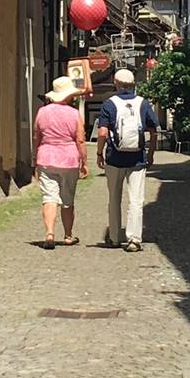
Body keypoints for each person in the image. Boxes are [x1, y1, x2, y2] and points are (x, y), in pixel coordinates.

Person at [97, 68, 158, 252]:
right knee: (136, 200)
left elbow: (102, 132)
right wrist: (150, 153)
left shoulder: (109, 103)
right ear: (132, 84)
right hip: (137, 159)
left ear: (116, 83)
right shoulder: (143, 103)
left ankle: (114, 237)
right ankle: (134, 239)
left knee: (114, 198)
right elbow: (154, 131)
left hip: (114, 158)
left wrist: (99, 153)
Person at [33, 76, 88, 249]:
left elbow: (37, 136)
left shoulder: (42, 112)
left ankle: (49, 233)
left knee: (49, 197)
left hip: (46, 157)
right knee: (67, 199)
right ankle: (68, 235)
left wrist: (36, 158)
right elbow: (80, 139)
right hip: (69, 158)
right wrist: (84, 162)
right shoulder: (74, 114)